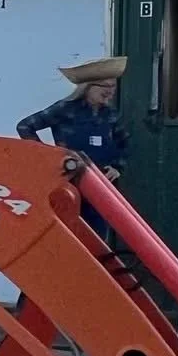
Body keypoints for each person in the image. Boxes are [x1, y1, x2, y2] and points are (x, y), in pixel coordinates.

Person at [18, 56, 130, 242]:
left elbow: (124, 141)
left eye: (113, 86)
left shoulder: (110, 115)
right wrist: (50, 158)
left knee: (97, 238)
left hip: (100, 185)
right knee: (68, 235)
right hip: (70, 183)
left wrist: (117, 167)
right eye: (105, 86)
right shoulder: (65, 109)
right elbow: (25, 126)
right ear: (89, 87)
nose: (110, 92)